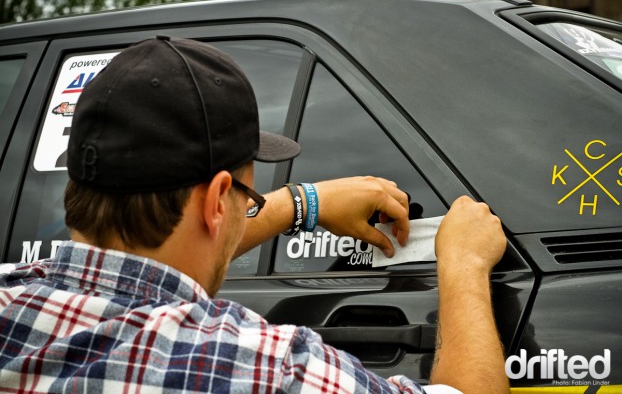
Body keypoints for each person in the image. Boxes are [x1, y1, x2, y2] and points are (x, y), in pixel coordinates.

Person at [0, 36, 508, 394]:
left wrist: (297, 205)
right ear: (218, 199)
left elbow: (158, 261)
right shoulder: (266, 369)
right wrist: (463, 265)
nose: (250, 205)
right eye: (248, 193)